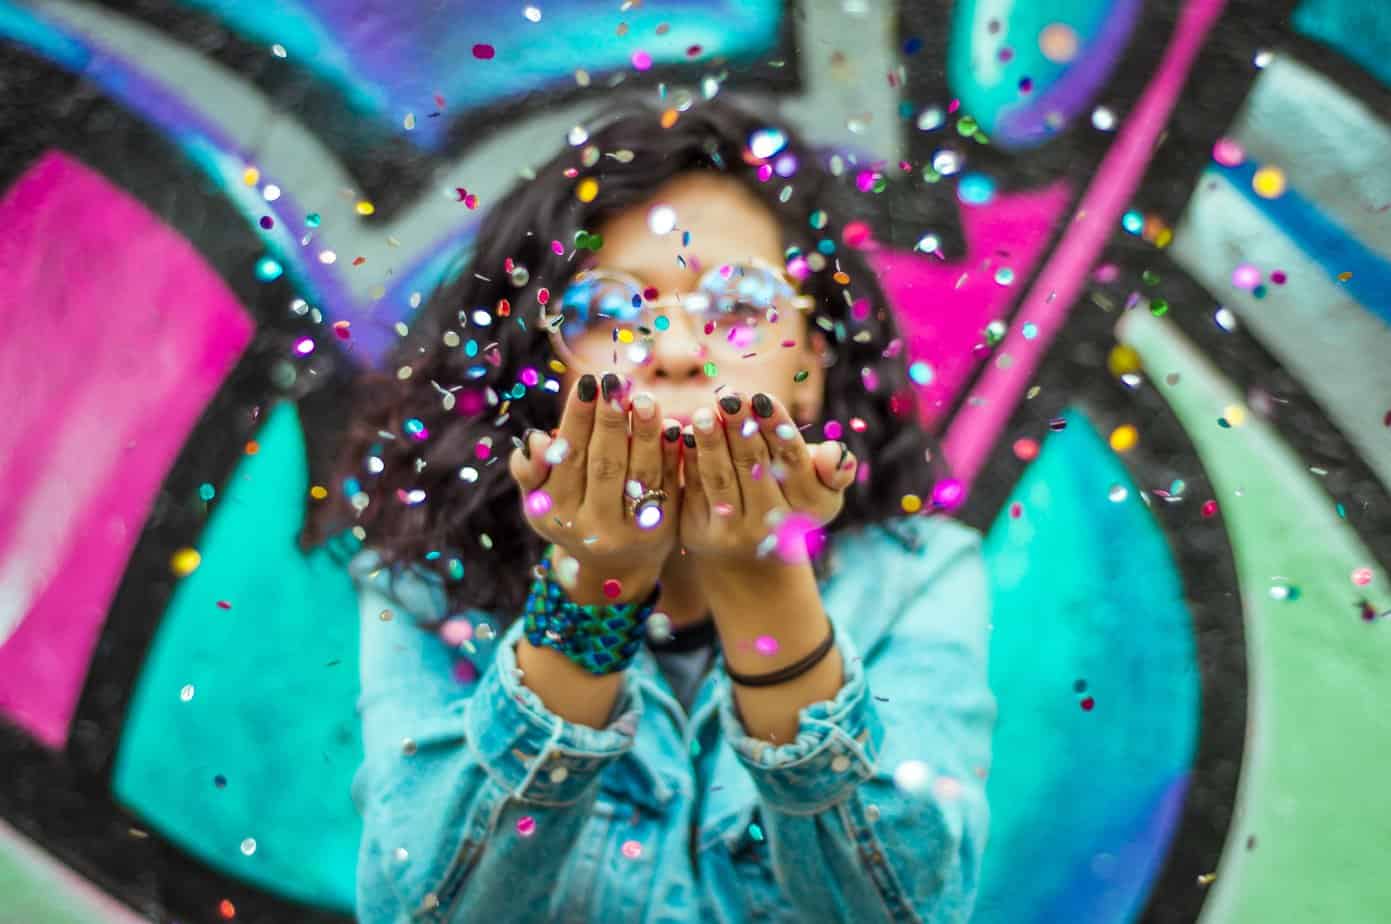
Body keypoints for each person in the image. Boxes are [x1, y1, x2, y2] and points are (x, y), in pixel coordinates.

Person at [309, 91, 995, 923]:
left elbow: (907, 912)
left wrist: (759, 578)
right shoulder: (427, 585)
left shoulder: (916, 579)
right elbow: (423, 911)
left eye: (737, 307)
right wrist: (592, 589)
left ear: (812, 363)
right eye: (608, 312)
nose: (673, 352)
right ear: (545, 366)